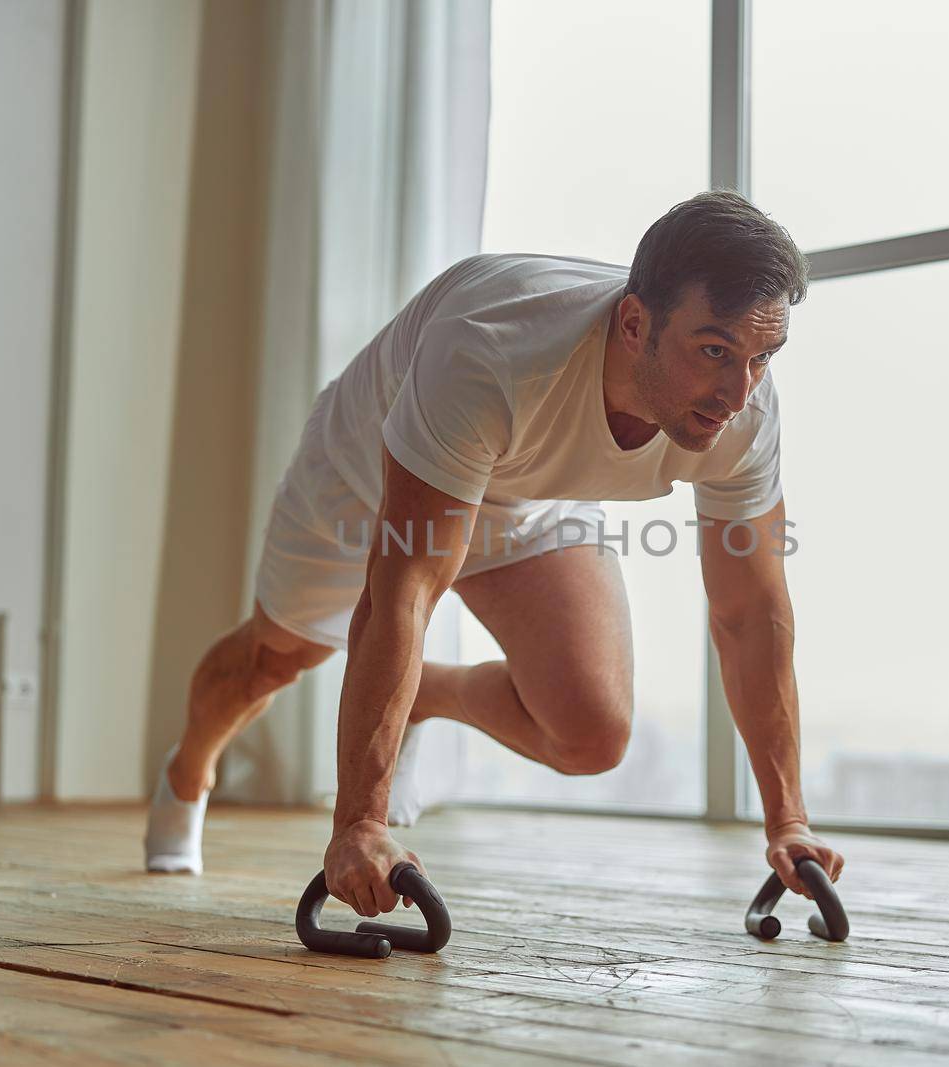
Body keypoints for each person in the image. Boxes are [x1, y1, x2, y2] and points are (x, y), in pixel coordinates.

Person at [144, 189, 847, 916]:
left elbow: (750, 611)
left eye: (763, 356)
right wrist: (360, 824)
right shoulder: (493, 346)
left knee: (590, 733)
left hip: (532, 493)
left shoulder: (745, 410)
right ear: (635, 324)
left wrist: (787, 818)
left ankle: (425, 695)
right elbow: (405, 591)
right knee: (276, 656)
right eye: (714, 352)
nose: (737, 391)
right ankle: (190, 771)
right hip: (368, 468)